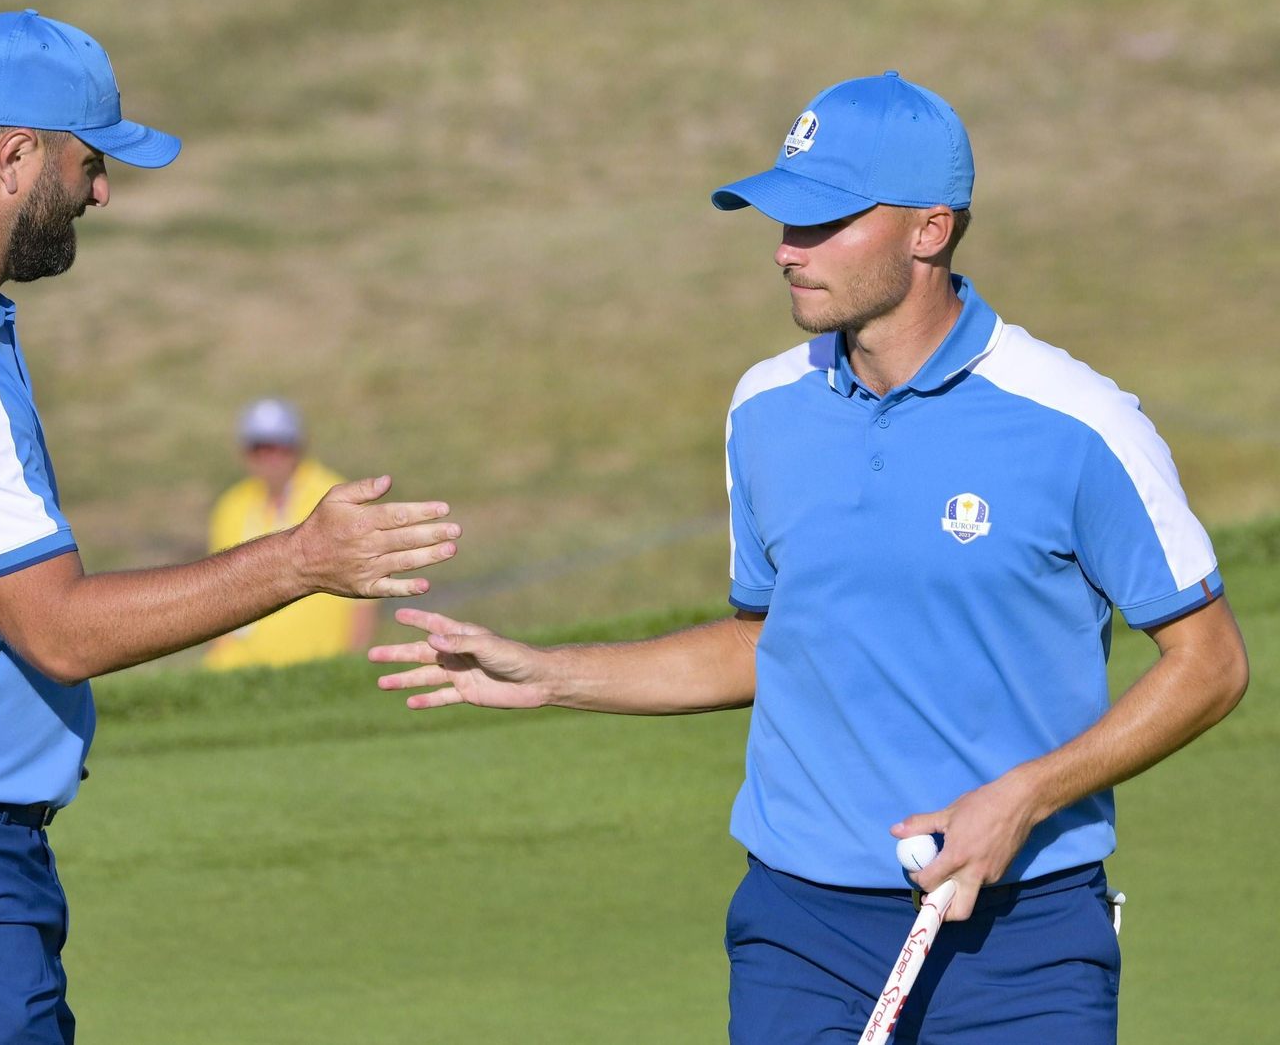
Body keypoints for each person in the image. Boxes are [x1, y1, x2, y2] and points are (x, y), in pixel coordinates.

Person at [370, 72, 1248, 1043]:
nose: (789, 249)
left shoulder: (1077, 421)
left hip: (1019, 939)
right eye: (785, 220)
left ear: (929, 230)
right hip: (800, 932)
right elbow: (768, 642)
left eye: (826, 222)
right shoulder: (765, 408)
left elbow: (1210, 663)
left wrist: (1023, 797)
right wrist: (550, 676)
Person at [0, 11, 459, 1044]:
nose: (102, 191)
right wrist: (304, 559)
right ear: (15, 157)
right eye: (90, 162)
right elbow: (60, 630)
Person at [203, 398, 378, 671]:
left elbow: (365, 592)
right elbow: (219, 594)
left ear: (298, 446)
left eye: (279, 445)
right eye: (259, 447)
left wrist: (351, 665)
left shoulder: (335, 498)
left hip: (318, 667)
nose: (269, 457)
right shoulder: (231, 507)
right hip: (241, 669)